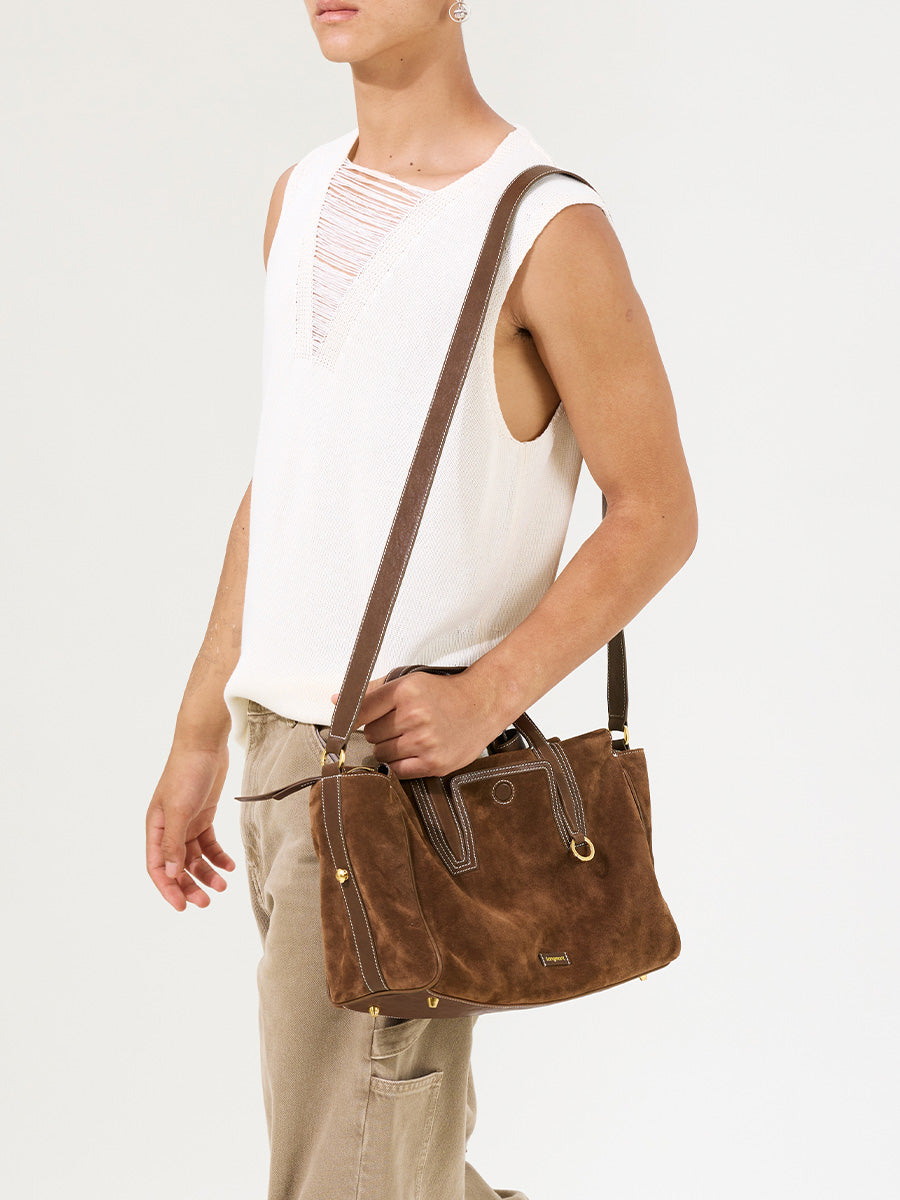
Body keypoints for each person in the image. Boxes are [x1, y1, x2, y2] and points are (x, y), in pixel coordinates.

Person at [145, 2, 698, 1197]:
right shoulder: (298, 198)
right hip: (278, 757)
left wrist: (485, 695)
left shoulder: (543, 226)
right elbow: (290, 482)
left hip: (396, 782)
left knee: (344, 1174)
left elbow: (657, 513)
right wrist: (201, 728)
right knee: (378, 1161)